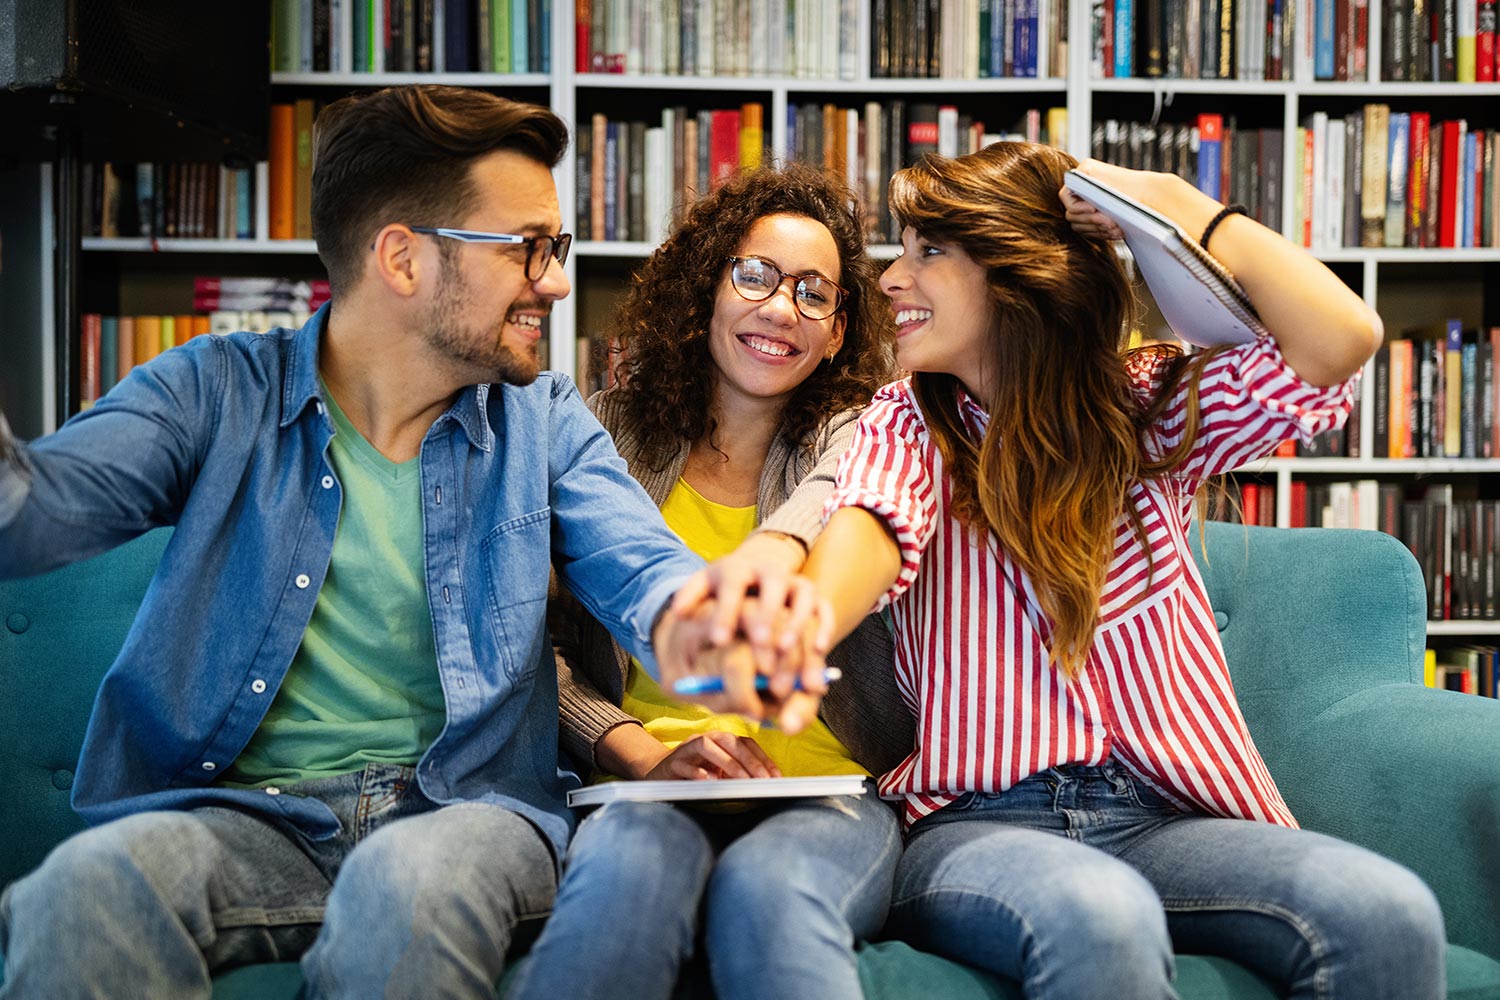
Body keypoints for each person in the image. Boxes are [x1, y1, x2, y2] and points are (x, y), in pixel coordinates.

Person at [674, 143, 1448, 999]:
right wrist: (799, 622)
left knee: (1385, 911)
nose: (892, 280)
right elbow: (870, 528)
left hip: (1166, 817)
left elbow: (1342, 338)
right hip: (976, 825)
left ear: (1016, 272)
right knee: (1096, 913)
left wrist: (1166, 201)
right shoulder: (905, 423)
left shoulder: (1141, 412)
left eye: (929, 250)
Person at [0, 84, 717, 1000]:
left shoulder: (544, 420)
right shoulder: (214, 393)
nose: (558, 279)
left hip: (470, 816)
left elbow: (649, 574)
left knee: (408, 882)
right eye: (531, 248)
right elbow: (31, 511)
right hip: (251, 823)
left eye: (559, 247)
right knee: (83, 888)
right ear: (403, 259)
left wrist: (714, 620)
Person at [506, 165, 913, 1000]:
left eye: (813, 294)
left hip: (826, 793)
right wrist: (636, 753)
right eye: (756, 276)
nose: (779, 310)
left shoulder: (867, 433)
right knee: (622, 885)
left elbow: (821, 508)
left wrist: (765, 563)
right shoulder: (603, 434)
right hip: (645, 785)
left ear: (837, 331)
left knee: (771, 896)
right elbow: (532, 642)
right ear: (708, 290)